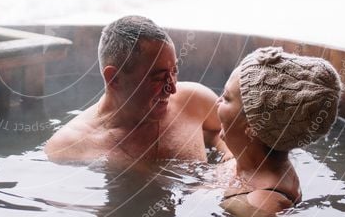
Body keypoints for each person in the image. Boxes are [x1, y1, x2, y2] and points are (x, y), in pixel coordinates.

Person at [44, 15, 226, 164]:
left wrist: (229, 161)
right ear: (114, 79)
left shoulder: (193, 101)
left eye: (174, 71)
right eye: (158, 77)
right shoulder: (71, 147)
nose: (172, 89)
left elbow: (233, 131)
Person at [215, 46, 343, 213]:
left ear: (253, 127)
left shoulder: (262, 204)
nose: (216, 102)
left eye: (226, 98)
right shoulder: (247, 163)